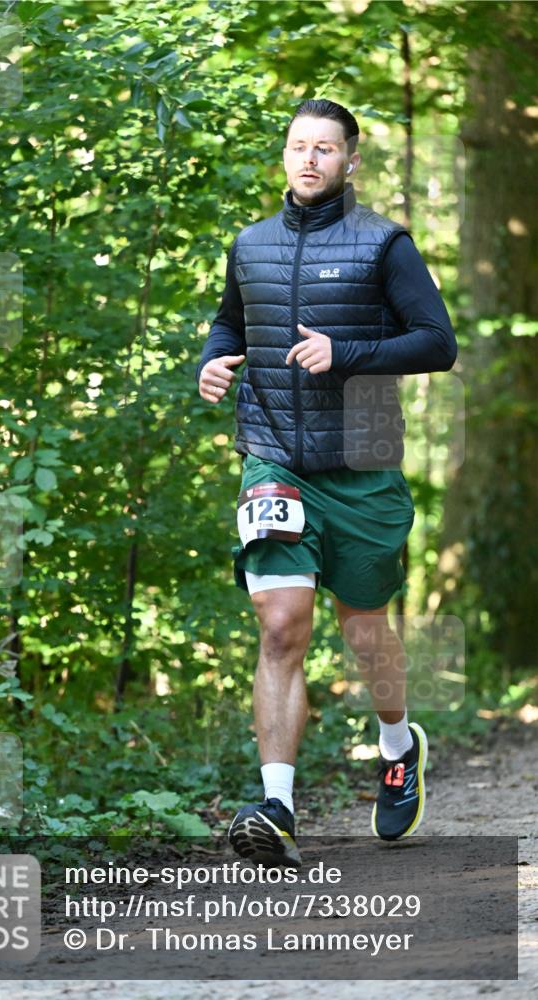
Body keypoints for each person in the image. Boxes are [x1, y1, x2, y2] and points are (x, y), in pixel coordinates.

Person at [196, 98, 457, 867]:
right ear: (285, 156)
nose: (308, 160)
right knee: (280, 626)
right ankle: (274, 804)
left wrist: (345, 352)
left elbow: (436, 344)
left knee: (363, 629)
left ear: (349, 161)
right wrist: (211, 363)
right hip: (272, 456)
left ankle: (396, 741)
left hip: (364, 466)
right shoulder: (250, 245)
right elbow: (228, 324)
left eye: (324, 149)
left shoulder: (384, 244)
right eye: (297, 147)